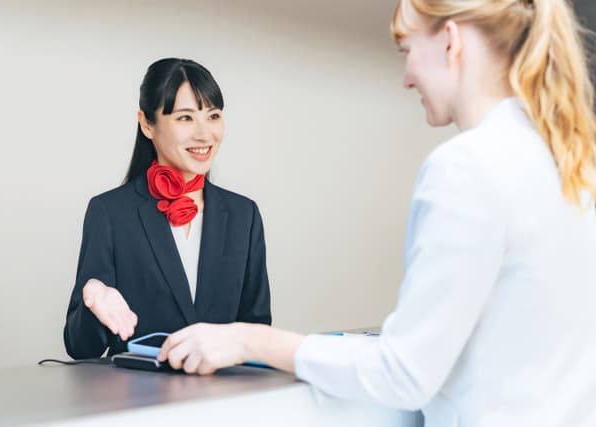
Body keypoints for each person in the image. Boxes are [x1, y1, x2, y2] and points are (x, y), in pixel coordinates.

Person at [156, 1, 596, 425]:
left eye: (407, 50)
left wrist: (250, 340)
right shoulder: (572, 161)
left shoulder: (467, 166)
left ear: (451, 41)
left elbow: (403, 374)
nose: (407, 78)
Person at [64, 58, 271, 359]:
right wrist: (93, 299)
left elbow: (257, 332)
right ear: (147, 124)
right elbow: (80, 348)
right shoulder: (110, 213)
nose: (204, 134)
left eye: (213, 116)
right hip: (139, 389)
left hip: (223, 388)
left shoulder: (244, 215)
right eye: (185, 118)